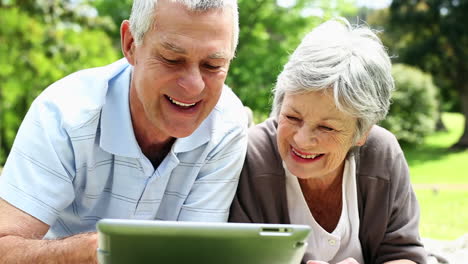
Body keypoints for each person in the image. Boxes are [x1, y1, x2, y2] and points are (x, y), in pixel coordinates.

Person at [0, 0, 247, 263]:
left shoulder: (227, 125)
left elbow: (197, 254)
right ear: (130, 44)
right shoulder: (63, 114)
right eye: (172, 59)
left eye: (212, 65)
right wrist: (94, 251)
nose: (193, 87)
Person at [229, 18, 427, 264]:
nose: (302, 140)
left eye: (326, 127)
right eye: (292, 117)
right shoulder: (250, 156)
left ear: (362, 132)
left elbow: (404, 254)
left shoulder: (382, 153)